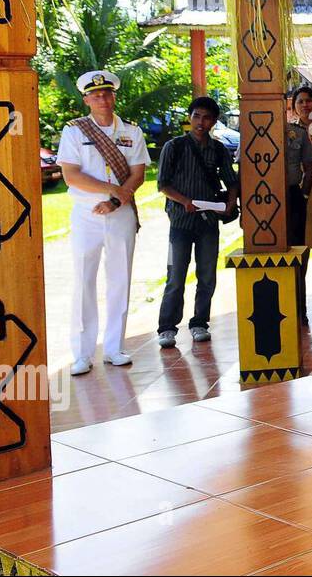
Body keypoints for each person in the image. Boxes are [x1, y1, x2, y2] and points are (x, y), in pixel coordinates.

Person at [55, 70, 149, 373]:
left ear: (114, 96)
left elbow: (138, 173)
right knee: (84, 280)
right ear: (86, 100)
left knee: (120, 278)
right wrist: (111, 190)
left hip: (119, 212)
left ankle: (114, 347)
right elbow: (71, 174)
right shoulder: (74, 131)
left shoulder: (131, 131)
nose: (102, 99)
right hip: (86, 214)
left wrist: (116, 199)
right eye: (95, 95)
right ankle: (82, 353)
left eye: (107, 94)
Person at [156, 96, 239, 348]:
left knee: (206, 275)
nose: (201, 122)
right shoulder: (174, 146)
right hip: (180, 221)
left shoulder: (218, 149)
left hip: (208, 220)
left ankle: (200, 323)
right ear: (190, 117)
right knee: (176, 275)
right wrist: (185, 201)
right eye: (196, 116)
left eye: (207, 118)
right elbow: (163, 184)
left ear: (214, 121)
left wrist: (231, 203)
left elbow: (232, 182)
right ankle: (167, 328)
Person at [285, 86, 312, 322]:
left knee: (299, 251)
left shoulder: (297, 134)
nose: (305, 105)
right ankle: (280, 304)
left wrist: (304, 195)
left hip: (294, 196)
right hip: (267, 202)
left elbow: (310, 168)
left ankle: (299, 308)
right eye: (300, 101)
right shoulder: (255, 132)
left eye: (309, 101)